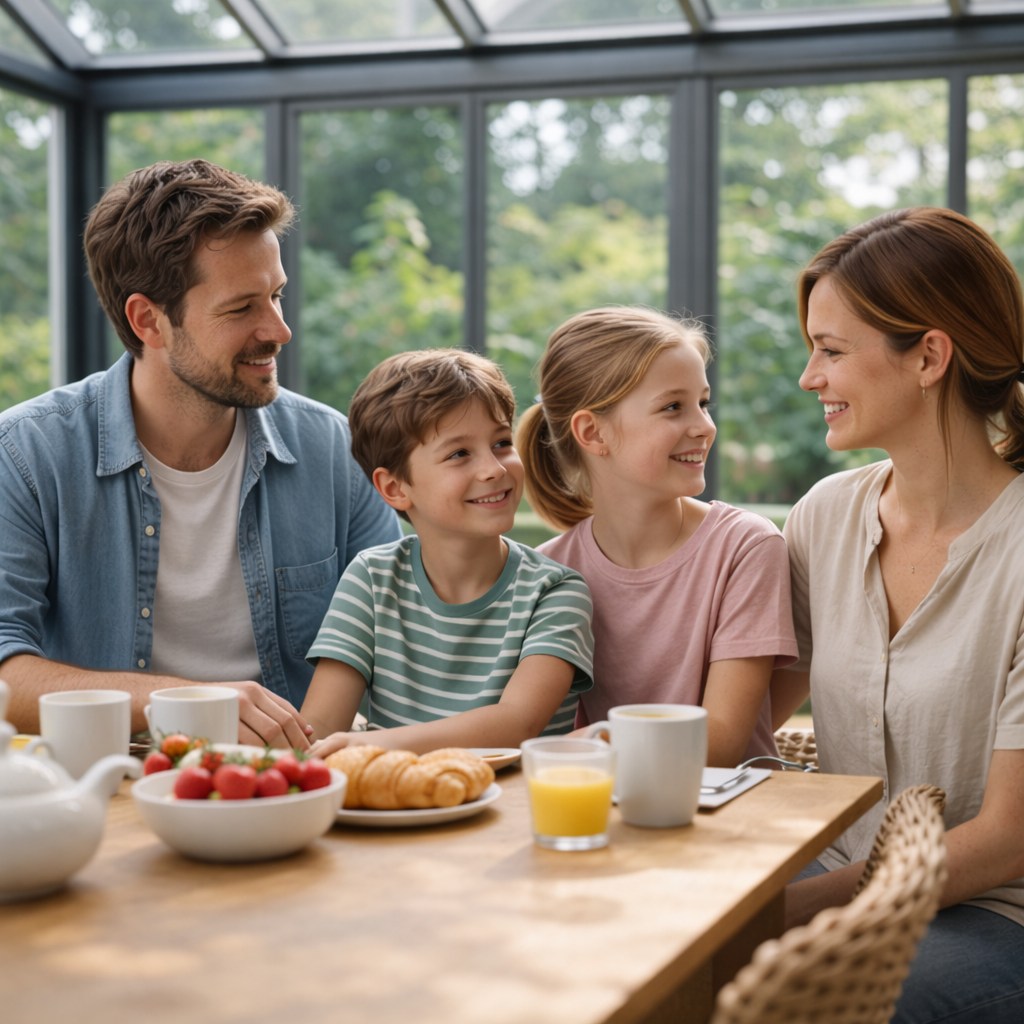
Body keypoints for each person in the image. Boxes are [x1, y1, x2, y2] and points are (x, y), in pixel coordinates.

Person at [0, 159, 401, 747]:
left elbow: (400, 629)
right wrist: (189, 704)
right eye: (242, 308)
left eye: (277, 296)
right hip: (107, 781)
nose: (278, 329)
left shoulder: (334, 451)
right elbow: (6, 670)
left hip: (299, 776)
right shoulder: (25, 455)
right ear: (148, 320)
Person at [772, 207, 1024, 1022]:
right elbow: (752, 714)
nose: (810, 378)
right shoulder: (824, 515)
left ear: (929, 356)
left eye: (832, 351)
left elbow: (1007, 840)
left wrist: (786, 917)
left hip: (994, 912)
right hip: (840, 874)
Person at [517, 307, 798, 768]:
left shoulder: (745, 547)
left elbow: (720, 743)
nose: (704, 426)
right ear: (592, 432)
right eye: (673, 407)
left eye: (703, 403)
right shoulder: (547, 575)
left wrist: (579, 747)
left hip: (732, 824)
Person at [302, 348, 594, 756]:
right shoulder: (370, 579)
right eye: (459, 453)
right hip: (399, 805)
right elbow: (321, 729)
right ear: (395, 488)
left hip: (515, 810)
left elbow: (517, 723)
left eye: (501, 442)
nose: (494, 468)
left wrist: (369, 743)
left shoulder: (555, 592)